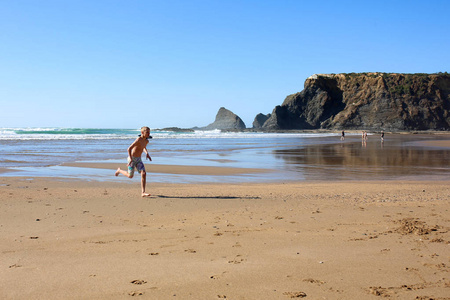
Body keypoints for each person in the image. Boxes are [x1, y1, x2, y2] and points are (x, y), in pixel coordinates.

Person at [115, 126, 152, 197]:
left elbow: (143, 147)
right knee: (130, 176)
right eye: (147, 132)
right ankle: (119, 170)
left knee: (143, 173)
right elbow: (129, 149)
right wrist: (131, 159)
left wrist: (147, 153)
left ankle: (143, 192)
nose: (148, 134)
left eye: (149, 132)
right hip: (132, 159)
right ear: (142, 132)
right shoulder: (138, 139)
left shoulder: (146, 141)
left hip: (138, 160)